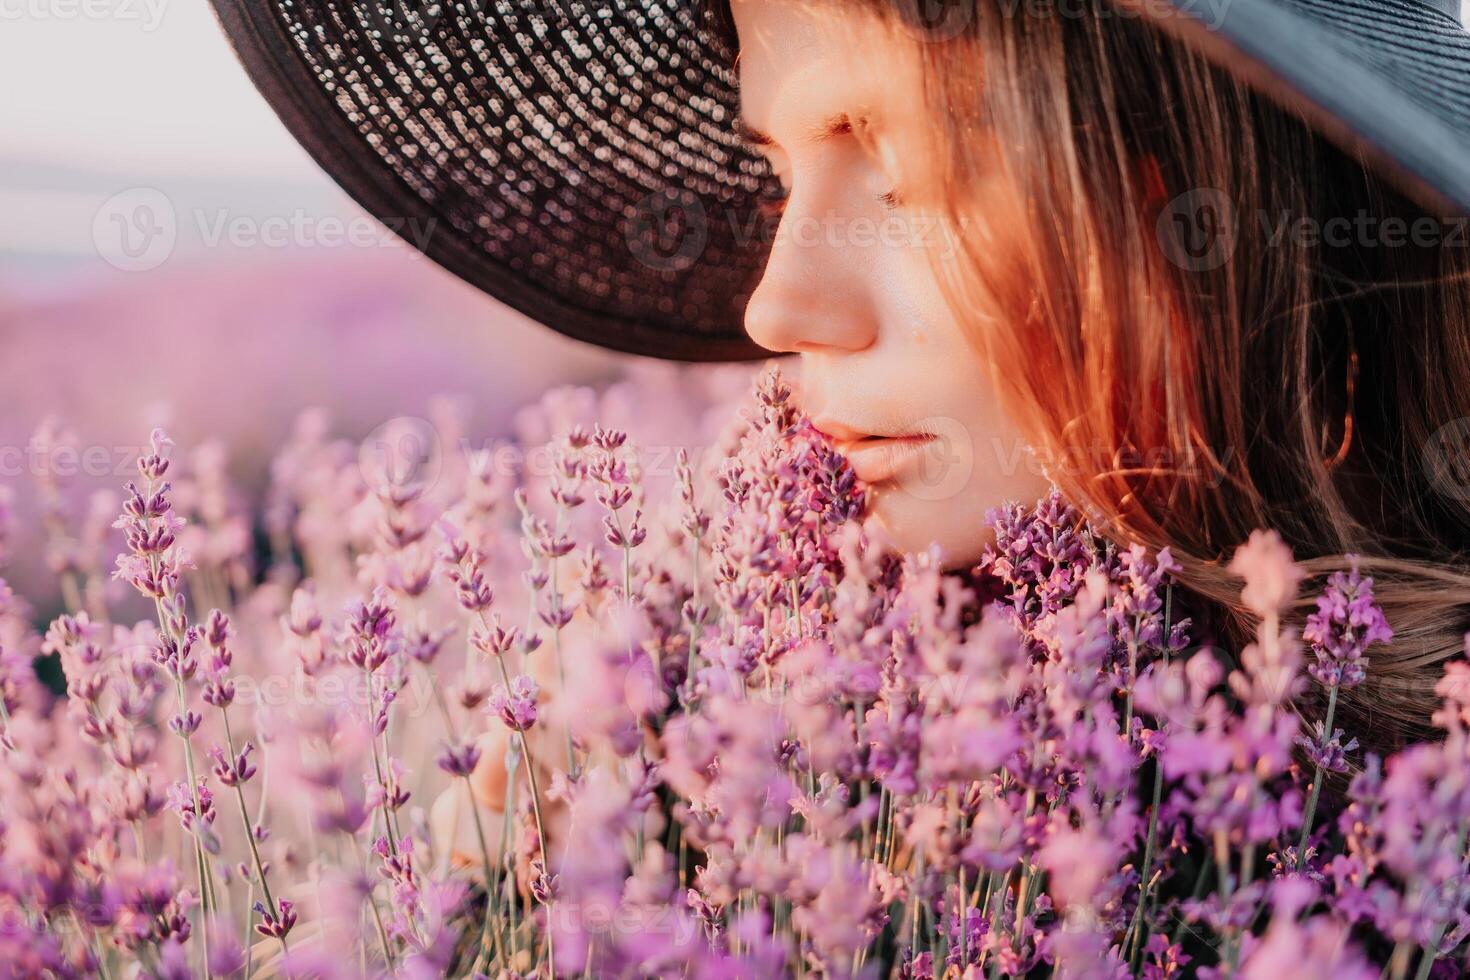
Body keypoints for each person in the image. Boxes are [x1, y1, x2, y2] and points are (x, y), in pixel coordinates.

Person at [214, 0, 1470, 764]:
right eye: (785, 175)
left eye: (899, 167)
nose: (777, 304)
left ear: (1214, 201)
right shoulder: (791, 720)